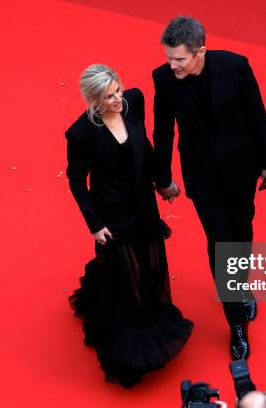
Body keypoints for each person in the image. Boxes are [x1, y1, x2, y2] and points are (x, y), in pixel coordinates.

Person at [152, 16, 266, 360]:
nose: (172, 65)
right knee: (221, 241)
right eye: (169, 57)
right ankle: (237, 321)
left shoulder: (236, 67)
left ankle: (238, 288)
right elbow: (163, 132)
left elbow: (258, 114)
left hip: (241, 170)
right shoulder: (163, 80)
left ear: (200, 52)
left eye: (179, 59)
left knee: (241, 232)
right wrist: (163, 179)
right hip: (202, 177)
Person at [65, 64, 193, 388]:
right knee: (125, 277)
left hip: (143, 206)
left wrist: (163, 183)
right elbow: (77, 181)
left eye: (118, 90)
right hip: (112, 215)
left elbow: (145, 148)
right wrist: (94, 225)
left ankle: (145, 312)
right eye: (109, 96)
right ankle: (130, 355)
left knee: (149, 264)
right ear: (93, 101)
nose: (118, 99)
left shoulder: (133, 102)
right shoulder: (80, 133)